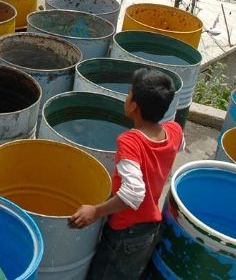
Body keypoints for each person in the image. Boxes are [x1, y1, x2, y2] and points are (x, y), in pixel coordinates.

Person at [69, 68, 184, 280]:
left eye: (129, 93)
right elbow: (179, 145)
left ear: (134, 106)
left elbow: (133, 193)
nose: (127, 96)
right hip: (148, 229)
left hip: (125, 234)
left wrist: (95, 211)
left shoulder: (130, 142)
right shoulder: (174, 130)